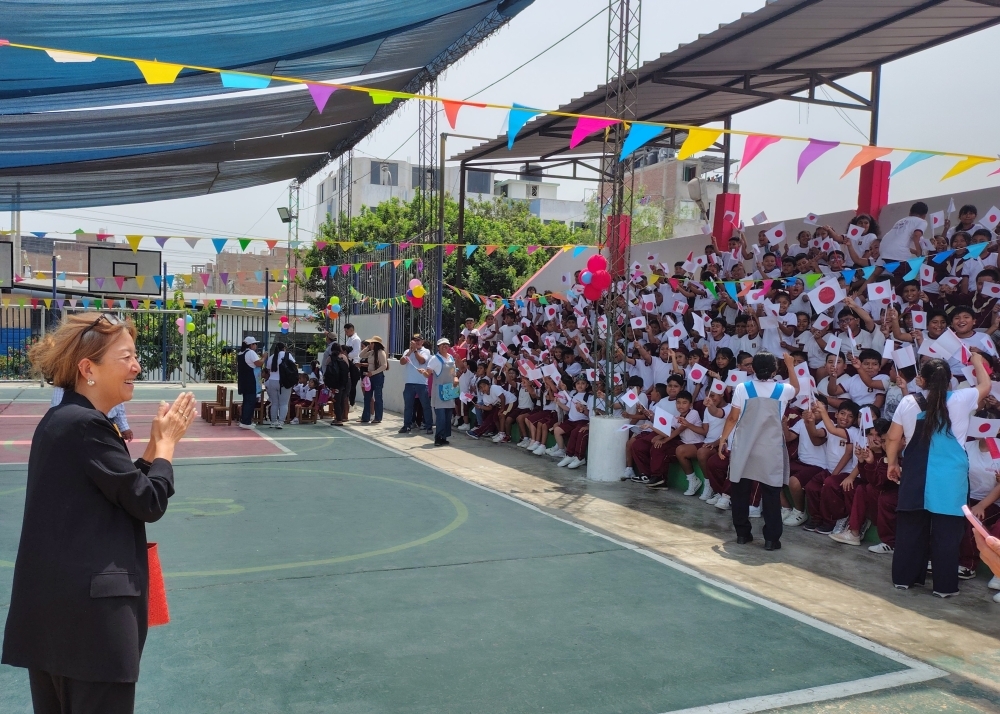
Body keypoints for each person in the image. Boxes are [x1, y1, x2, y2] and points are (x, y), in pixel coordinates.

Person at [2, 312, 195, 714]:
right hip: (91, 626)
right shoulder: (87, 425)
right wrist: (167, 447)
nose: (137, 366)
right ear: (88, 369)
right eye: (126, 357)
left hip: (56, 621)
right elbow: (148, 502)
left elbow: (119, 490)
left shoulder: (64, 420)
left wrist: (151, 450)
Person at [885, 354, 991, 597]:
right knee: (947, 534)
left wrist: (892, 463)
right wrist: (976, 360)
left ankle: (903, 579)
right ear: (950, 378)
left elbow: (892, 437)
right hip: (950, 479)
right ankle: (944, 587)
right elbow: (985, 385)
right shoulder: (962, 399)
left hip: (916, 473)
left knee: (911, 529)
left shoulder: (909, 402)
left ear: (921, 380)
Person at [718, 351, 799, 550]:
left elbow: (732, 418)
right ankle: (771, 539)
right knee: (771, 493)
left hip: (745, 446)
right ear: (775, 370)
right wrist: (790, 365)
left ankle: (742, 534)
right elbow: (797, 388)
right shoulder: (783, 390)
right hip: (770, 448)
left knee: (740, 491)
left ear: (752, 368)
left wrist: (723, 439)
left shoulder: (742, 388)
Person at [423, 338, 458, 446]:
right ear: (438, 347)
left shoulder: (451, 357)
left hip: (449, 390)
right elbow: (428, 373)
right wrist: (423, 373)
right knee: (441, 417)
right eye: (442, 345)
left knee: (448, 416)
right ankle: (438, 438)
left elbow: (453, 372)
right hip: (439, 392)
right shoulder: (434, 359)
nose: (444, 346)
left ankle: (444, 437)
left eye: (446, 344)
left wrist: (455, 378)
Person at [399, 334, 433, 434]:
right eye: (415, 340)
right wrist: (410, 351)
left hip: (421, 383)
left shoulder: (426, 351)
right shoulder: (407, 351)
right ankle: (406, 425)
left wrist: (415, 351)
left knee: (425, 406)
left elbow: (422, 361)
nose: (417, 342)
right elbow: (402, 362)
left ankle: (429, 426)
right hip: (409, 383)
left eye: (419, 340)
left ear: (422, 341)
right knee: (408, 406)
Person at [264, 341, 295, 428]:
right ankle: (281, 422)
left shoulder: (271, 357)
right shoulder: (287, 355)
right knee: (284, 403)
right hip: (284, 381)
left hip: (272, 381)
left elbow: (268, 370)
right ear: (284, 348)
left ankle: (273, 421)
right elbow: (294, 366)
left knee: (274, 403)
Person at [237, 336, 264, 429]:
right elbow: (259, 363)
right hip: (250, 380)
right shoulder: (251, 352)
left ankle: (245, 420)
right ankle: (246, 422)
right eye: (255, 344)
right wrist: (264, 357)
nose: (256, 345)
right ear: (251, 345)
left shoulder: (241, 353)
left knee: (246, 401)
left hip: (243, 380)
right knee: (250, 402)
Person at [359, 336, 388, 424]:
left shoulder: (381, 352)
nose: (370, 344)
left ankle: (378, 417)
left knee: (378, 397)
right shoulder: (371, 352)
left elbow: (384, 366)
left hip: (377, 376)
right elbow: (361, 355)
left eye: (371, 343)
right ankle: (366, 417)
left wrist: (374, 372)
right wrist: (367, 348)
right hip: (370, 376)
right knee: (367, 397)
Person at [344, 323, 363, 407]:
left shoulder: (356, 339)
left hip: (354, 364)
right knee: (348, 385)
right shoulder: (349, 339)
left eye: (347, 331)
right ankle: (348, 403)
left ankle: (352, 403)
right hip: (348, 363)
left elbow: (356, 353)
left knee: (352, 386)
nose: (346, 333)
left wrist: (347, 355)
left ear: (351, 330)